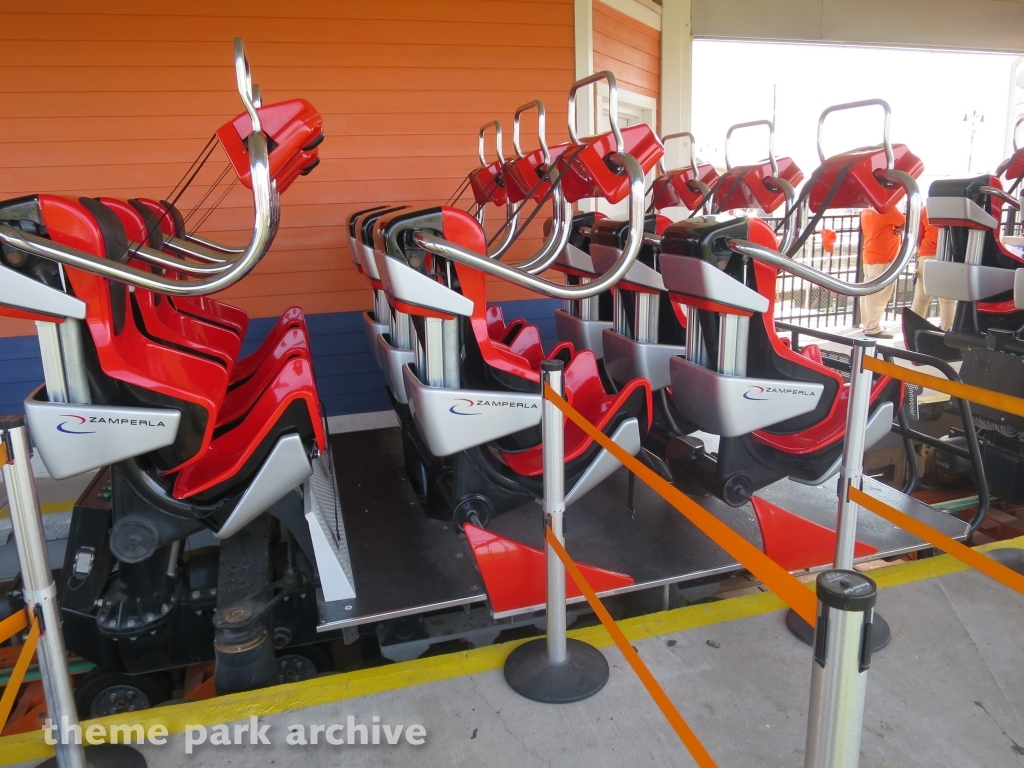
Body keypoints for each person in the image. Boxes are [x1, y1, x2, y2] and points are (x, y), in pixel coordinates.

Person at [858, 205, 906, 338]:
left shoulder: (866, 209)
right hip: (884, 256)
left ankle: (868, 324)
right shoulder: (887, 209)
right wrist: (900, 229)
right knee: (879, 294)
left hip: (870, 253)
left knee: (868, 291)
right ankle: (873, 328)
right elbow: (907, 223)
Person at [910, 208, 956, 330]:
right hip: (948, 255)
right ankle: (947, 334)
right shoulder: (956, 208)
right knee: (948, 301)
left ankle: (913, 331)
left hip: (926, 255)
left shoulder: (926, 209)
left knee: (920, 299)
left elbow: (918, 236)